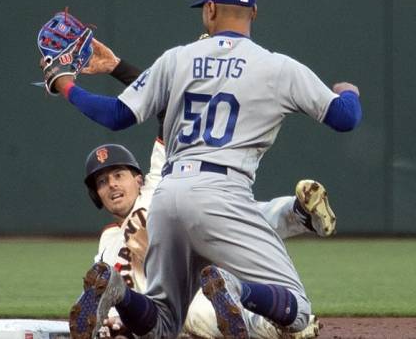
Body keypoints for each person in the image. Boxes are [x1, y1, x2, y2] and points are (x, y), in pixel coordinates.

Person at [47, 0, 361, 338]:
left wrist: (63, 83)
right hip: (224, 193)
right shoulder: (278, 68)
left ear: (209, 10)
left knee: (163, 326)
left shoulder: (177, 58)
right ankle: (235, 286)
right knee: (297, 311)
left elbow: (115, 115)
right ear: (254, 13)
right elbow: (345, 118)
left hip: (168, 194)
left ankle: (118, 292)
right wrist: (349, 91)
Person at [79, 143, 325, 339]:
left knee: (231, 217)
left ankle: (299, 211)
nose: (112, 185)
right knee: (193, 315)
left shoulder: (157, 186)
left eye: (118, 175)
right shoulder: (109, 241)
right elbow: (107, 291)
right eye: (102, 182)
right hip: (175, 300)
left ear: (138, 180)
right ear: (97, 196)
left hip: (203, 260)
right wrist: (113, 322)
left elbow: (168, 125)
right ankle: (280, 327)